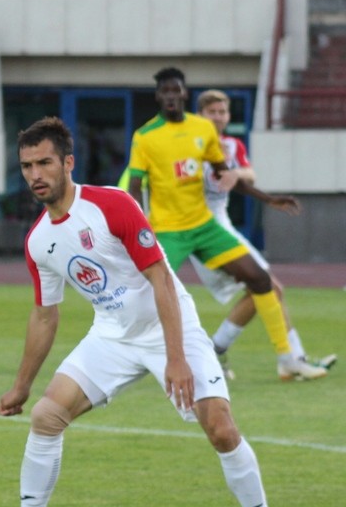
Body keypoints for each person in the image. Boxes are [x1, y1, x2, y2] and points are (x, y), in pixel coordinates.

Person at [0, 117, 298, 507]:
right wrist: (22, 385)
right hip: (112, 334)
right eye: (27, 165)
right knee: (46, 416)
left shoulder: (112, 205)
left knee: (220, 428)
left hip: (171, 327)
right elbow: (45, 314)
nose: (35, 174)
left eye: (44, 162)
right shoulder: (40, 241)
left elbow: (162, 279)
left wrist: (177, 358)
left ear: (68, 162)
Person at [126, 67, 326, 381]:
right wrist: (136, 229)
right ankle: (130, 358)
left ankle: (287, 358)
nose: (169, 96)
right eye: (163, 91)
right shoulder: (145, 137)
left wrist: (269, 199)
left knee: (261, 280)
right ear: (157, 96)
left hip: (205, 227)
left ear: (184, 93)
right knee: (144, 293)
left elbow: (225, 175)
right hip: (168, 231)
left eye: (174, 90)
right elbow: (134, 187)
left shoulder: (202, 129)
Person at [189, 90, 336, 379]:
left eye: (222, 112)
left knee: (268, 288)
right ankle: (282, 357)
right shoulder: (190, 145)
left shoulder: (231, 145)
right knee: (267, 287)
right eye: (212, 112)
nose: (218, 117)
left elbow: (249, 175)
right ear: (200, 115)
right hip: (200, 230)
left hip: (221, 224)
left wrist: (237, 175)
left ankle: (289, 358)